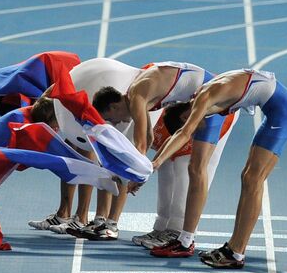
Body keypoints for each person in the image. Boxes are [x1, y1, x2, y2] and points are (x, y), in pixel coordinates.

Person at [152, 68, 287, 268]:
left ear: (184, 117)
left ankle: (237, 253)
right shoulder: (202, 97)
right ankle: (232, 248)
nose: (197, 130)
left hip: (284, 111)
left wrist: (155, 163)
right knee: (247, 177)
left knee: (253, 179)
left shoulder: (204, 99)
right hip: (277, 106)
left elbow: (184, 132)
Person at [87, 61, 231, 250]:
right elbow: (148, 136)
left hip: (216, 105)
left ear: (114, 107)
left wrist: (137, 175)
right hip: (202, 101)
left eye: (109, 118)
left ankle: (178, 231)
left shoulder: (137, 96)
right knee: (165, 166)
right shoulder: (136, 95)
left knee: (189, 169)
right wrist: (142, 172)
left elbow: (139, 143)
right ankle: (163, 227)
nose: (114, 122)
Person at [27, 58, 154, 238]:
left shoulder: (135, 100)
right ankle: (78, 215)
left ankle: (98, 220)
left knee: (113, 163)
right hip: (101, 99)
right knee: (75, 151)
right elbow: (54, 89)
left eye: (53, 127)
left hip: (119, 107)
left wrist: (139, 173)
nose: (55, 131)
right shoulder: (64, 99)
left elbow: (147, 138)